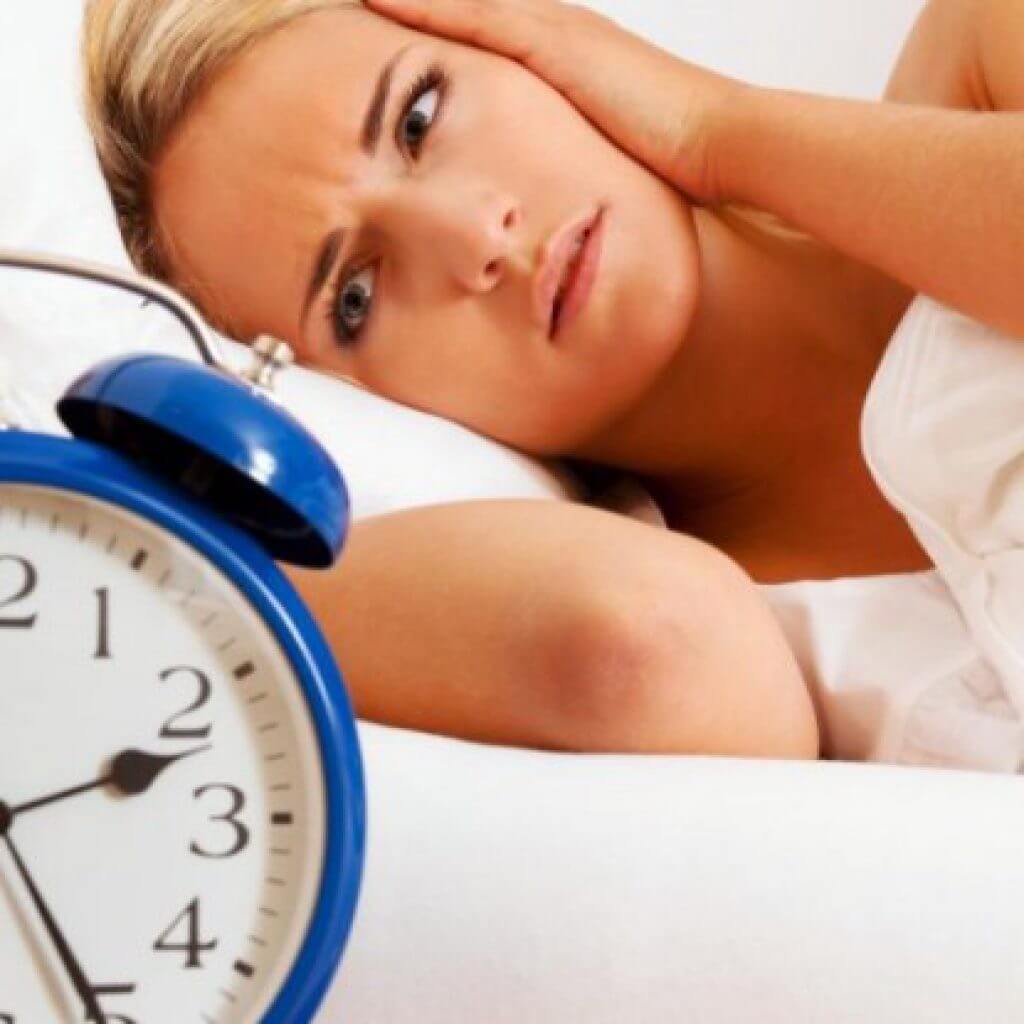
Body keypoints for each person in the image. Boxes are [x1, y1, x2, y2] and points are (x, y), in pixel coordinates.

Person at [79, 0, 1024, 764]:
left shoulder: (980, 66)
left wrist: (711, 125)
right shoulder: (693, 614)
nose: (473, 236)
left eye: (419, 117)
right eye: (356, 297)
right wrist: (124, 557)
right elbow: (642, 649)